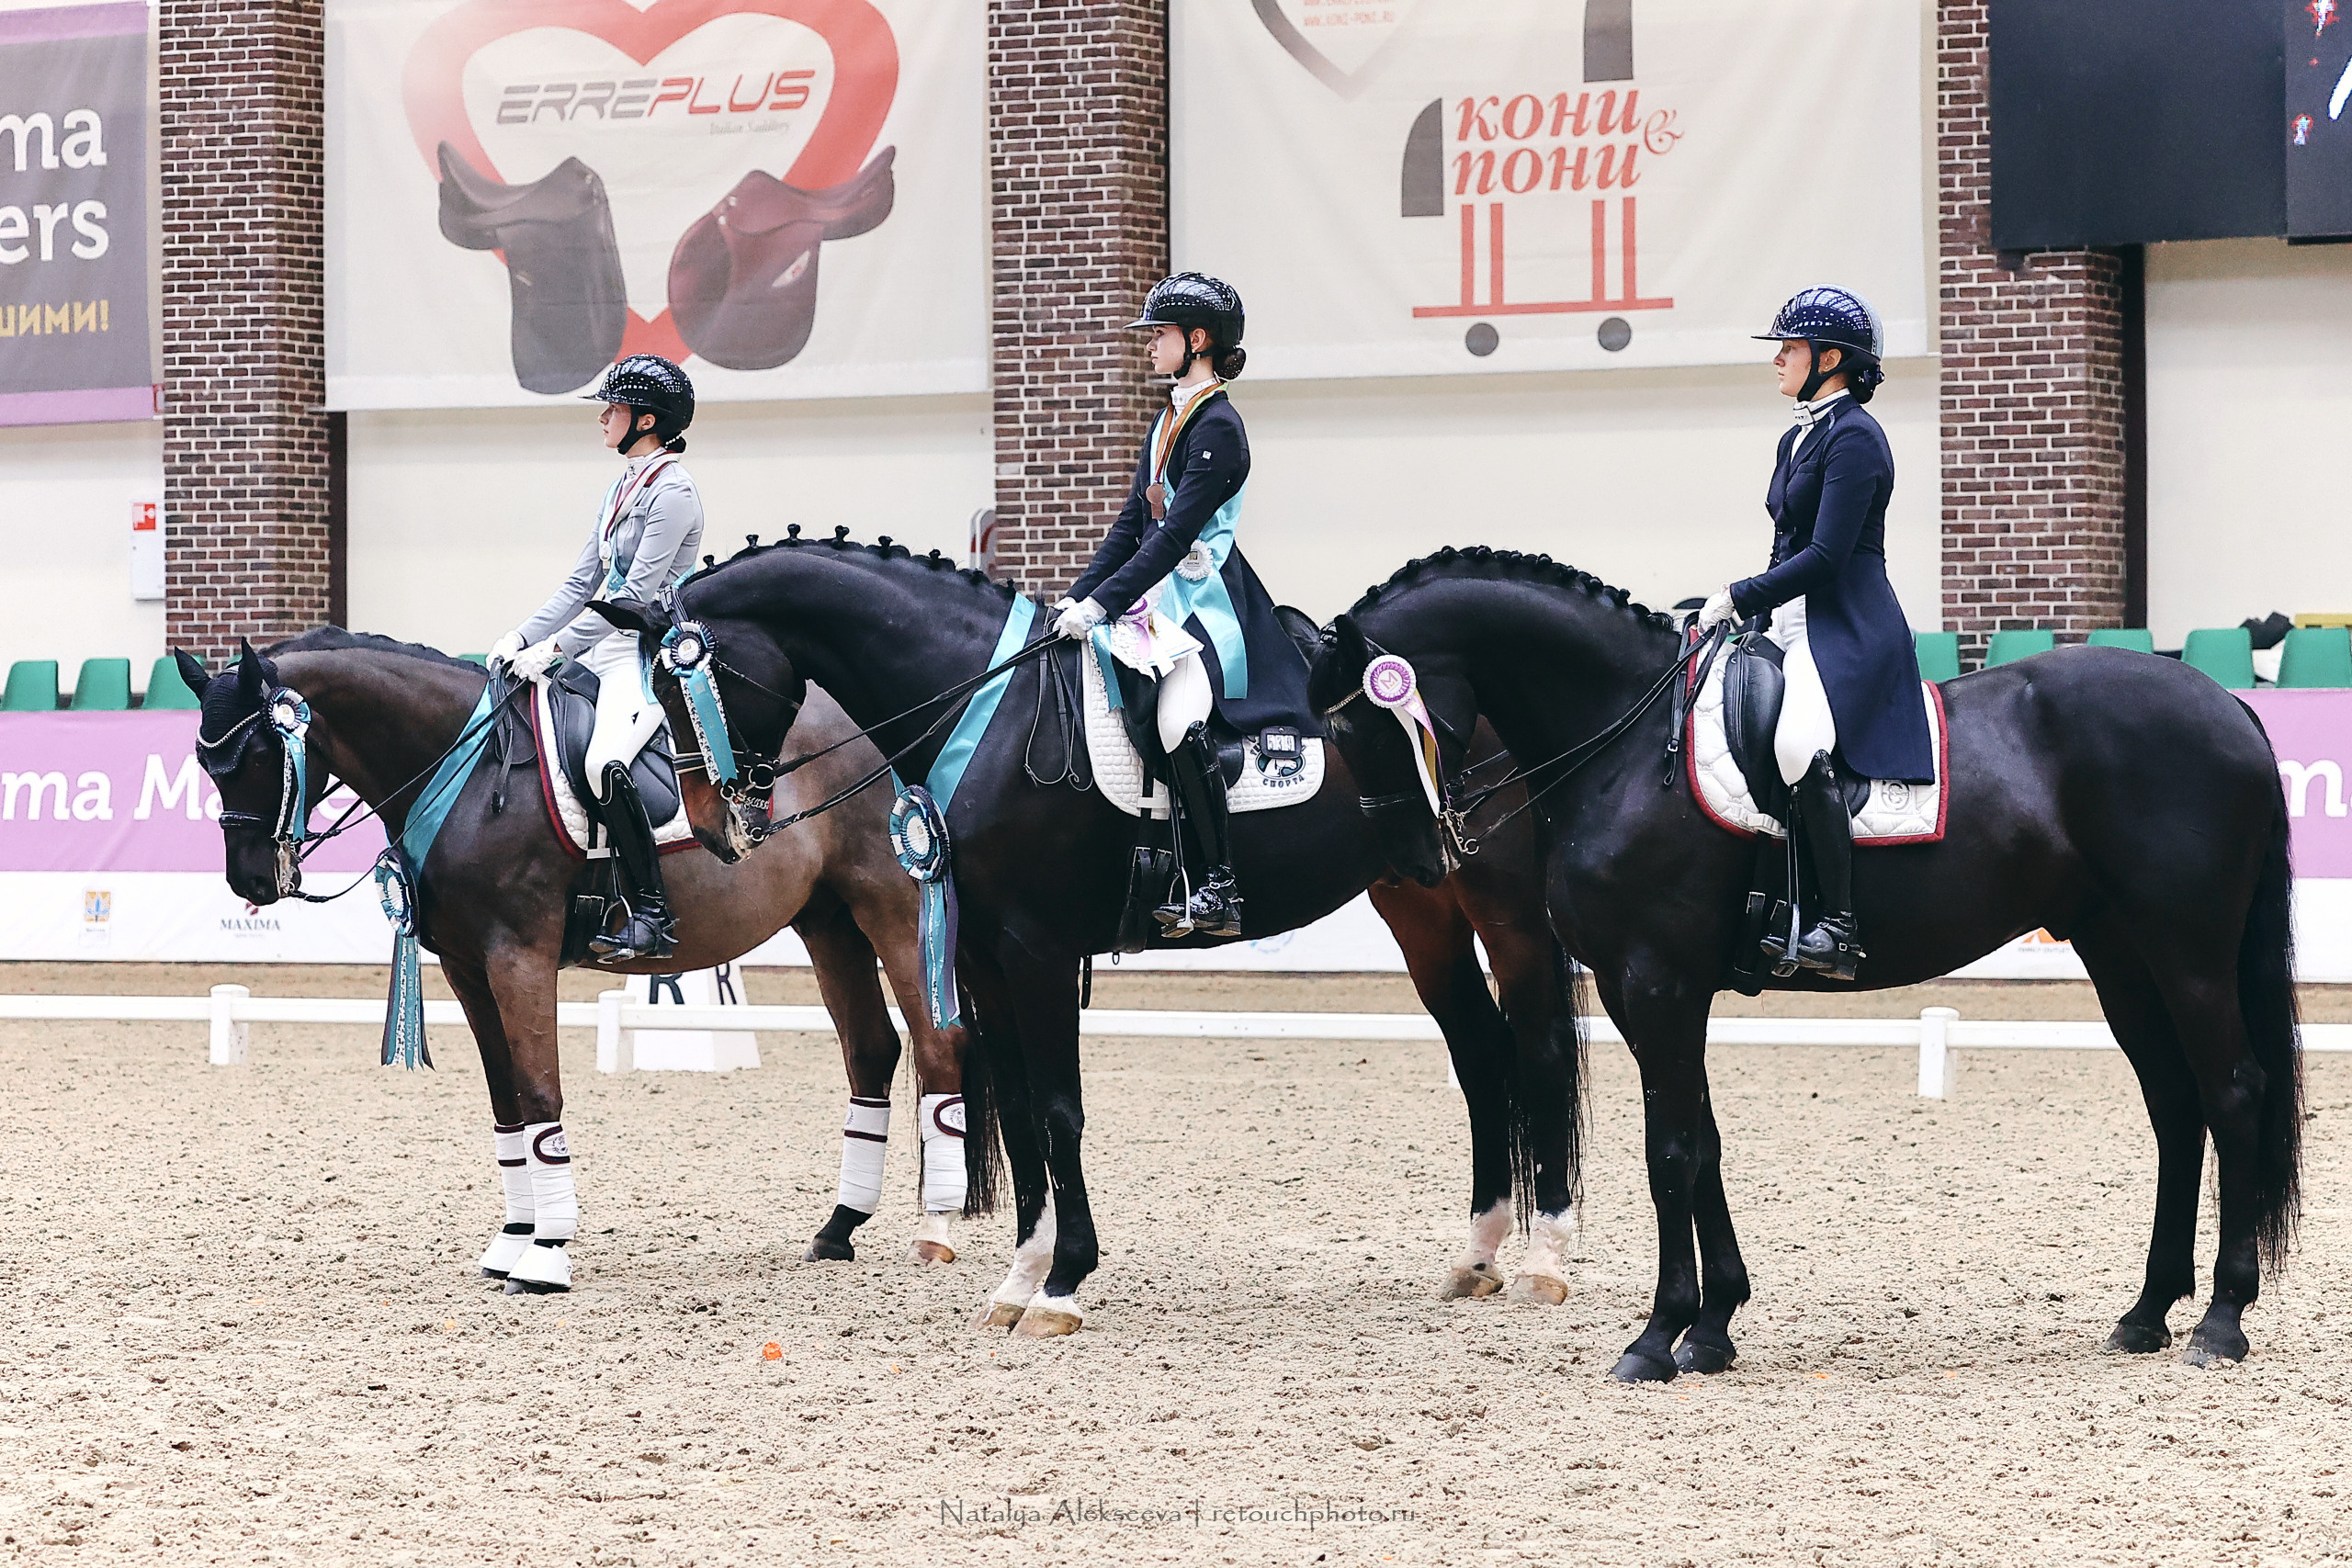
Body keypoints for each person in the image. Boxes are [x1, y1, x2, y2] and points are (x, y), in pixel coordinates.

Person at [1051, 272, 1311, 939]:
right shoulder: (1167, 419)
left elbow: (1173, 538)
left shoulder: (1219, 428)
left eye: (1159, 335)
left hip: (1206, 603)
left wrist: (1105, 605)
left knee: (1177, 722)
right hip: (1155, 594)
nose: (1148, 347)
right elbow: (1129, 529)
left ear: (1197, 341)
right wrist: (1080, 595)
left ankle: (1219, 883)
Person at [1693, 286, 1934, 982]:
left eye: (1789, 349)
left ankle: (1840, 927)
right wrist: (1749, 618)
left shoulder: (1856, 435)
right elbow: (1784, 544)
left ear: (1831, 358)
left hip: (1849, 629)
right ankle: (1768, 901)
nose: (1777, 361)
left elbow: (1826, 557)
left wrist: (1736, 595)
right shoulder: (1796, 433)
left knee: (1798, 742)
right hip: (1790, 624)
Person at [488, 354, 706, 961]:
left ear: (646, 420)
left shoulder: (675, 491)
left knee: (605, 760)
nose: (603, 419)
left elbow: (633, 597)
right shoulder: (619, 487)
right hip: (594, 645)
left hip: (644, 650)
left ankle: (652, 912)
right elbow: (581, 583)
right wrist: (520, 637)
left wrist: (556, 649)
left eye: (612, 408)